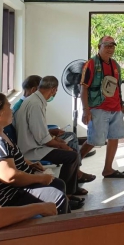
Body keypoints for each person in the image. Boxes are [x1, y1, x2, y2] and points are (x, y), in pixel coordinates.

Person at [0, 93, 73, 213]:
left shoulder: (0, 133)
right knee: (57, 197)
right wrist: (40, 178)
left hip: (16, 188)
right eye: (8, 107)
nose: (11, 111)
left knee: (58, 184)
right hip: (9, 195)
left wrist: (30, 164)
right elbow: (11, 177)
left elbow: (11, 157)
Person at [15, 76, 87, 206]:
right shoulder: (35, 104)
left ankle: (72, 190)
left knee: (72, 152)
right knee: (71, 156)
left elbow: (38, 130)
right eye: (55, 91)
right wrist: (60, 145)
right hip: (31, 149)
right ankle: (66, 196)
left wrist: (56, 140)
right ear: (54, 90)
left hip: (34, 144)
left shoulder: (36, 100)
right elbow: (42, 138)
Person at [79, 35, 124, 179]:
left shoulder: (115, 65)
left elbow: (118, 87)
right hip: (98, 108)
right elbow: (83, 88)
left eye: (112, 46)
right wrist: (86, 110)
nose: (109, 49)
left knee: (114, 137)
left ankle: (108, 169)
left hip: (115, 108)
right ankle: (73, 168)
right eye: (106, 46)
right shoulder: (91, 64)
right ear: (99, 47)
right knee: (93, 141)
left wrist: (121, 104)